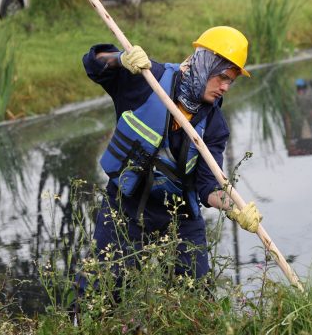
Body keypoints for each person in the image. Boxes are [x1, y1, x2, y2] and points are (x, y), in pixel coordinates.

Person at [79, 26, 263, 299]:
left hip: (180, 216)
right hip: (126, 205)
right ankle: (81, 333)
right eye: (222, 76)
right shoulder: (145, 78)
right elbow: (93, 63)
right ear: (203, 64)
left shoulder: (214, 125)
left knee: (198, 298)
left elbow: (207, 185)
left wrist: (233, 207)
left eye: (232, 81)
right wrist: (121, 60)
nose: (225, 87)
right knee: (100, 291)